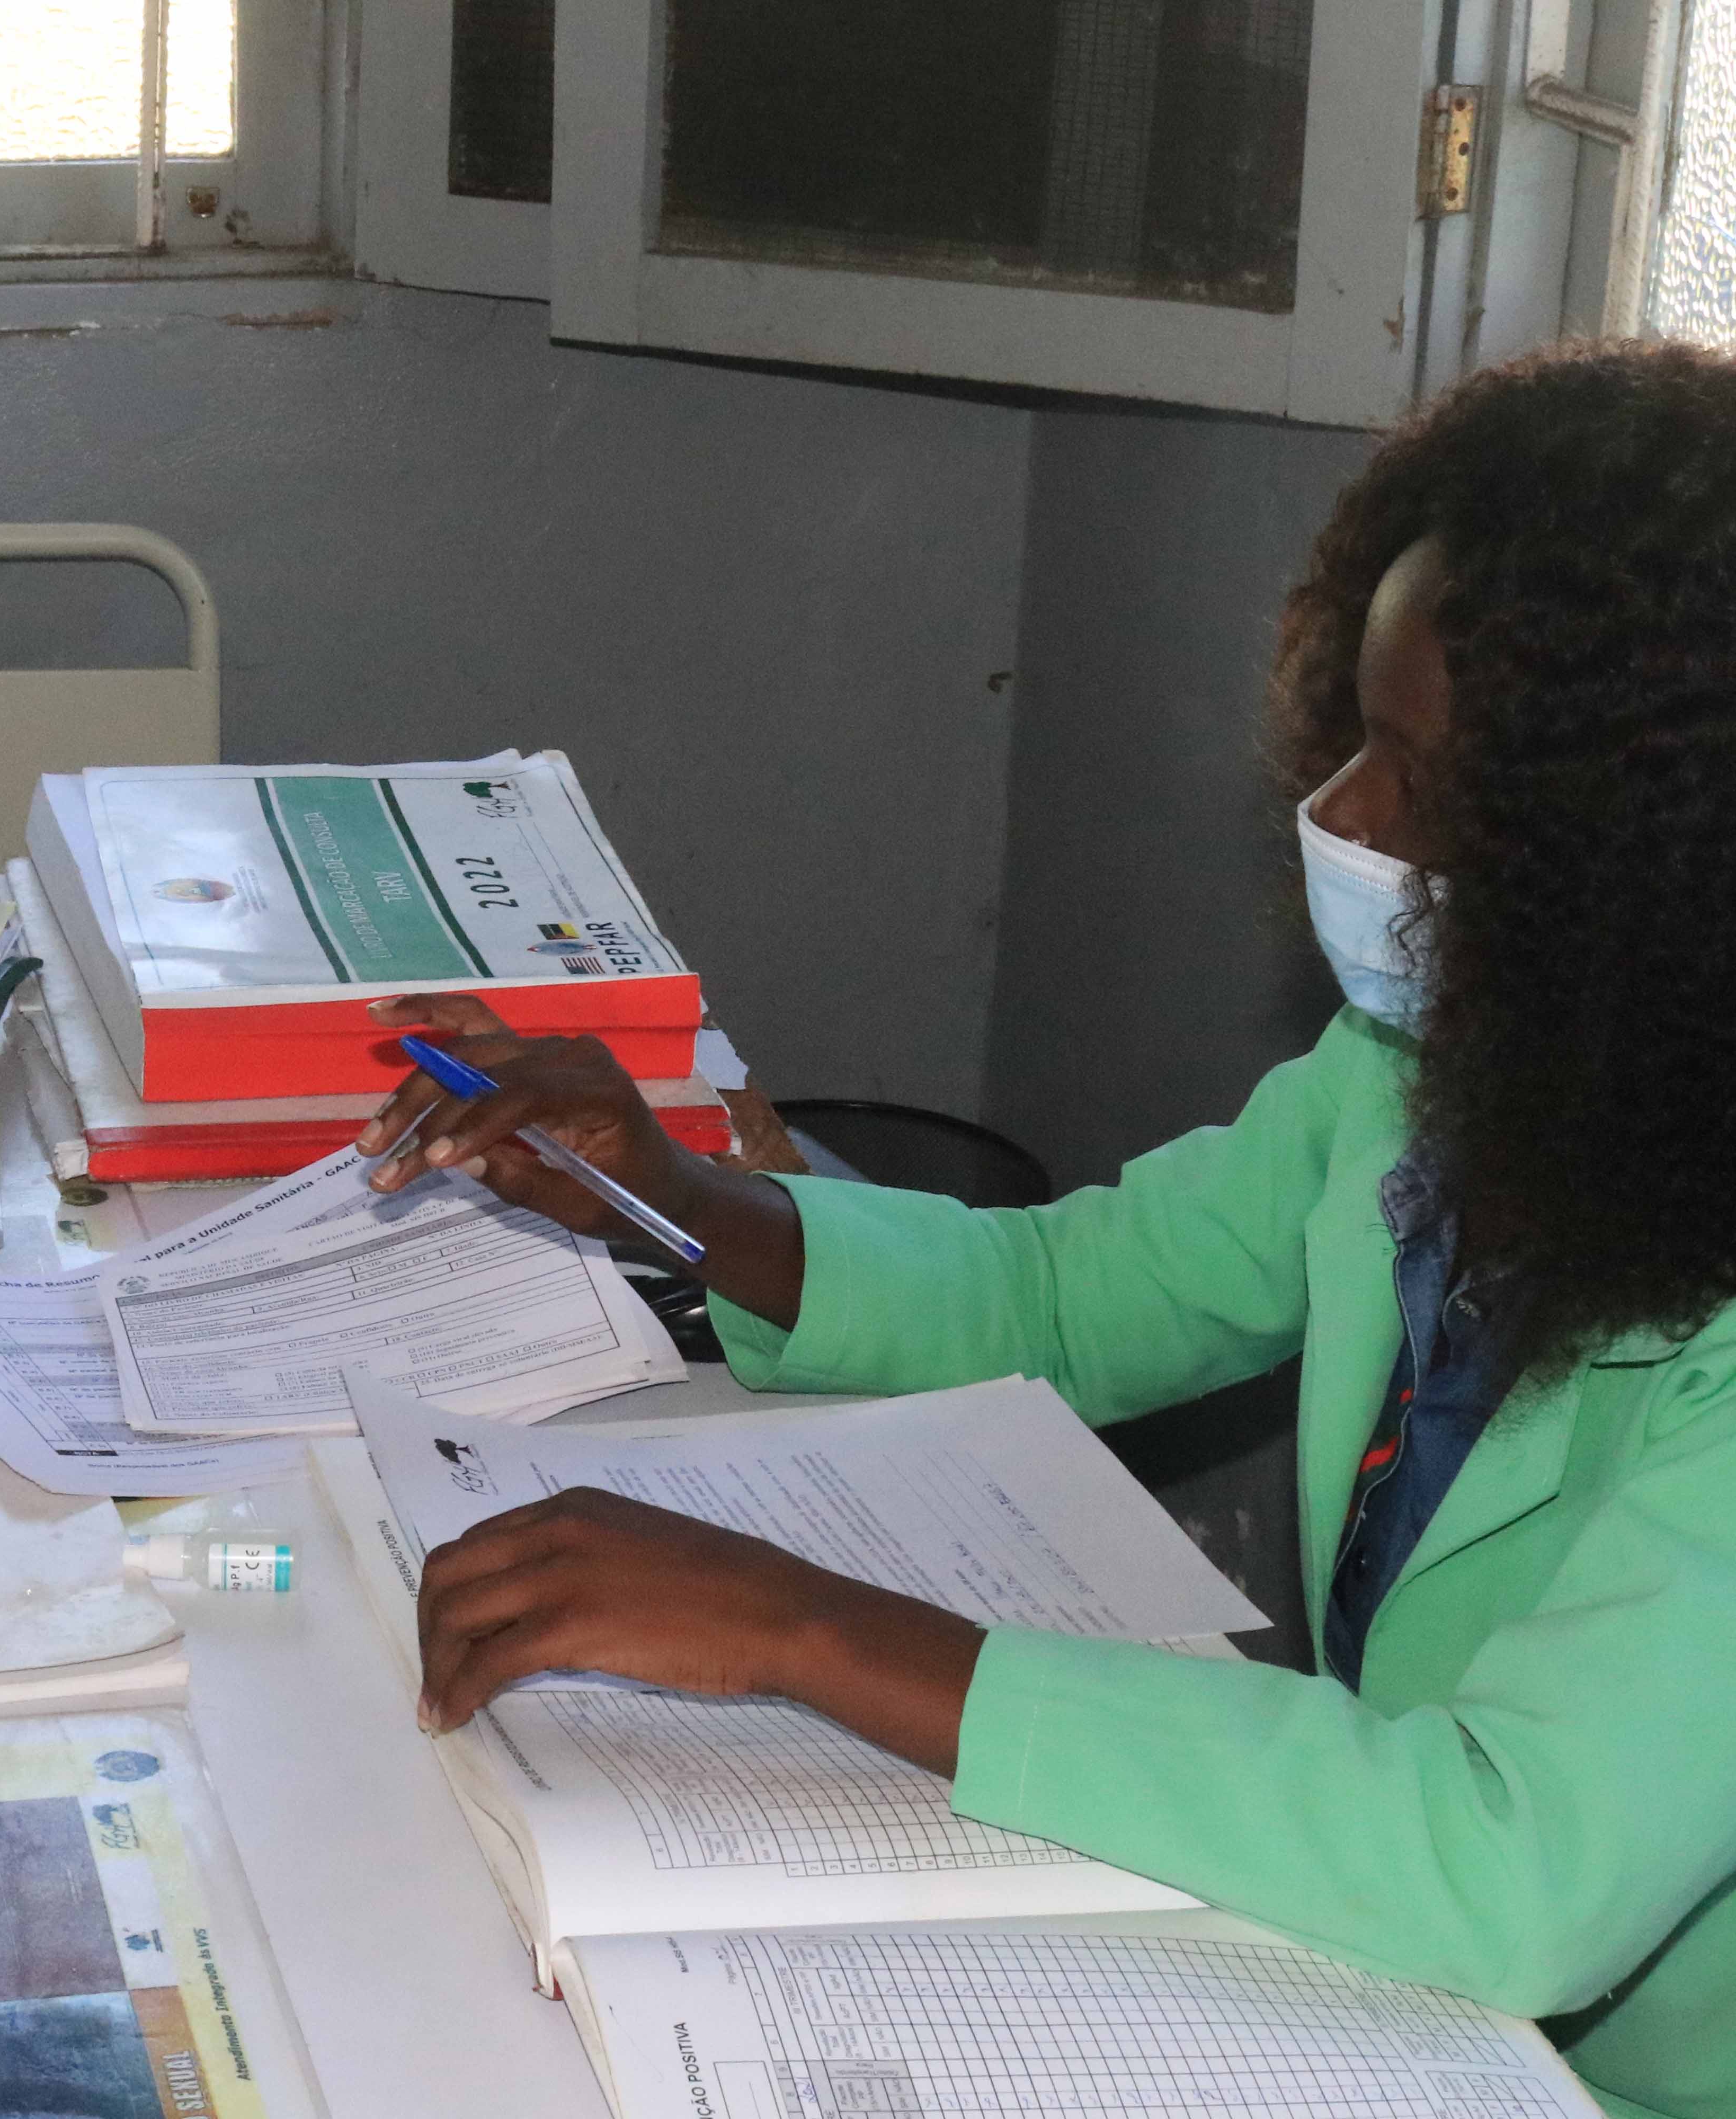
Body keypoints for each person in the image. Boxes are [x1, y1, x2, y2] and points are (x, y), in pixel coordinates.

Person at [363, 340, 1736, 2119]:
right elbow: (1076, 1294)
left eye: (1423, 776)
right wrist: (675, 1193)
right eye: (1363, 739)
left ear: (1647, 858)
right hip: (1391, 1989)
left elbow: (1507, 1858)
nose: (1346, 816)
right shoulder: (1433, 1068)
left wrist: (802, 1630)